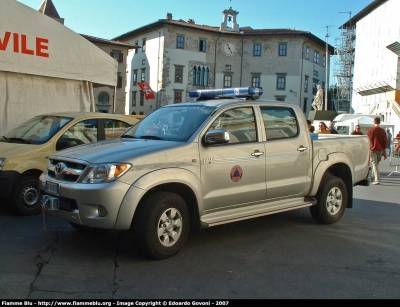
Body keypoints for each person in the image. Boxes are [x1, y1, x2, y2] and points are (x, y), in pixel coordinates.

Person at [367, 117, 388, 185]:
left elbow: (368, 140)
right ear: (380, 122)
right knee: (376, 164)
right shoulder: (382, 131)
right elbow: (385, 141)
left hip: (373, 149)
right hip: (380, 150)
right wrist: (384, 152)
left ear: (374, 122)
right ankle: (373, 176)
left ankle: (377, 179)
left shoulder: (371, 130)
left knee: (374, 164)